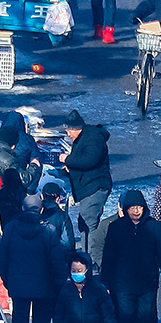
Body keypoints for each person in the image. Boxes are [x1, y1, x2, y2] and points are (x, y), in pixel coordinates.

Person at [99, 189, 161, 323]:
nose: (136, 211)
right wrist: (105, 284)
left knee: (148, 320)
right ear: (126, 209)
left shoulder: (154, 226)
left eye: (139, 207)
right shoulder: (116, 228)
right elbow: (108, 257)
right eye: (132, 208)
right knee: (126, 321)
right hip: (122, 286)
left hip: (147, 285)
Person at [0, 193, 65, 323]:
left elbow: (2, 257)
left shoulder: (10, 228)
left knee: (19, 320)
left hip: (17, 283)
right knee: (41, 321)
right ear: (41, 210)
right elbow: (57, 260)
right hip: (44, 285)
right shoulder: (49, 230)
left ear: (23, 208)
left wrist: (8, 280)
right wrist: (59, 282)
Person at [59, 110, 113, 265]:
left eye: (68, 130)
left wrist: (67, 159)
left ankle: (93, 260)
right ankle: (87, 256)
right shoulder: (83, 138)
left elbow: (89, 160)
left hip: (95, 186)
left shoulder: (92, 138)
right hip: (89, 186)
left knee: (88, 222)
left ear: (76, 128)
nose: (67, 134)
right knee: (85, 222)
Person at [40, 181, 76, 269]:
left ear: (41, 196)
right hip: (55, 260)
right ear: (58, 199)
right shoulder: (62, 216)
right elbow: (67, 242)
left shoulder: (36, 214)